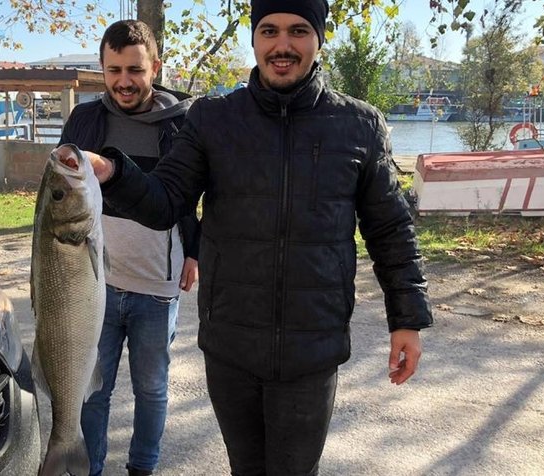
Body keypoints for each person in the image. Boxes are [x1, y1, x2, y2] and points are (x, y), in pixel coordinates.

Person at [57, 0, 434, 474]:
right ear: (254, 39)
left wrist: (408, 319)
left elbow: (391, 230)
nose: (282, 45)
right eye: (269, 31)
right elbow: (164, 202)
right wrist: (111, 170)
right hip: (231, 345)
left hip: (311, 348)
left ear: (319, 39)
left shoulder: (358, 125)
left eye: (298, 31)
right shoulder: (213, 120)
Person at [57, 20, 200, 476]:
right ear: (102, 68)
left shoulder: (182, 123)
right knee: (93, 391)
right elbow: (62, 190)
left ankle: (143, 467)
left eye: (134, 69)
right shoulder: (84, 119)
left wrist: (194, 251)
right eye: (114, 69)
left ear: (154, 67)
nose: (124, 80)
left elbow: (194, 197)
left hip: (157, 286)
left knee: (152, 388)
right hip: (94, 287)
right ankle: (89, 467)